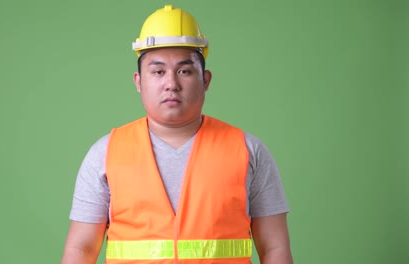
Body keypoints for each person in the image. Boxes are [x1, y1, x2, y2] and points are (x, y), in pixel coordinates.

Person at [61, 4, 292, 264]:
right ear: (138, 81)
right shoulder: (106, 153)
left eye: (184, 70)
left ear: (205, 80)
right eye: (158, 71)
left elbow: (275, 249)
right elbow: (80, 250)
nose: (171, 83)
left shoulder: (248, 151)